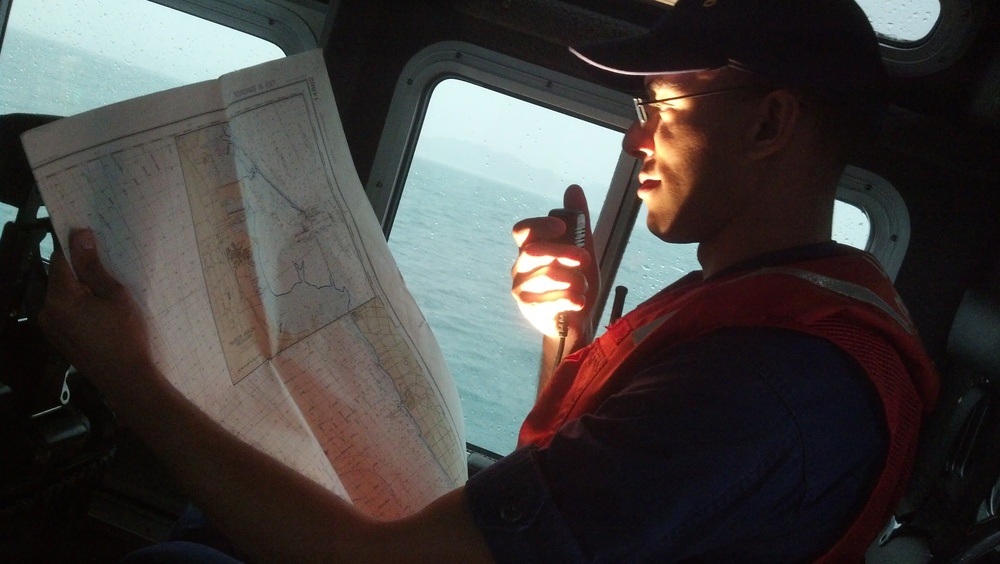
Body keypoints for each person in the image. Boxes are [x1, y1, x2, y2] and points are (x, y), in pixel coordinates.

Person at [40, 0, 939, 561]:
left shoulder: (767, 389)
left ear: (772, 123)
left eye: (662, 108)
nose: (638, 140)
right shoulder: (795, 314)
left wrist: (130, 377)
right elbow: (597, 513)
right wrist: (568, 334)